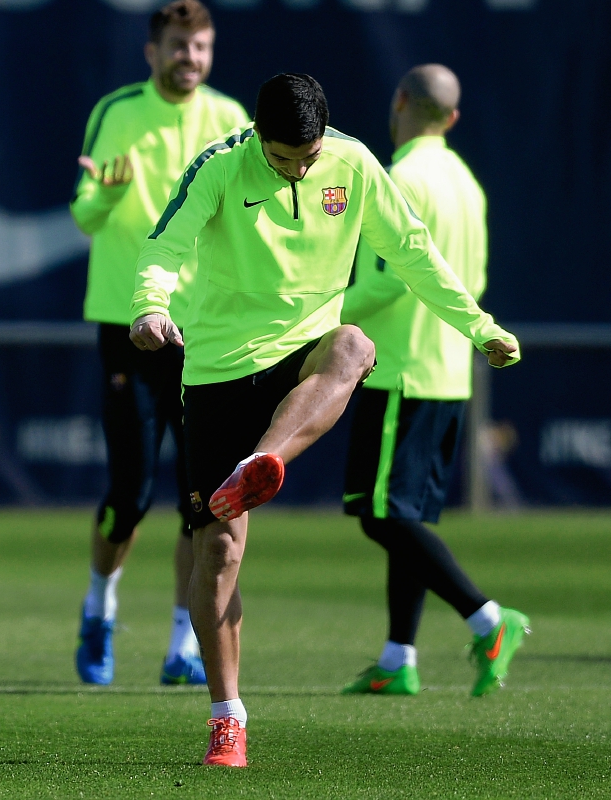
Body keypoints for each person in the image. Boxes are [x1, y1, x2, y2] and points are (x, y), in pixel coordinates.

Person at [129, 73, 519, 767]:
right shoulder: (221, 165)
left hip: (300, 355)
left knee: (355, 344)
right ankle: (228, 719)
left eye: (307, 156)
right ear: (258, 135)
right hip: (219, 371)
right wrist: (151, 305)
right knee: (218, 553)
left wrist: (478, 326)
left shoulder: (355, 162)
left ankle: (264, 462)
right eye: (284, 159)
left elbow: (413, 252)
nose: (298, 168)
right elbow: (163, 245)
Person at [70, 0, 250, 689]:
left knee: (199, 499)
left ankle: (183, 641)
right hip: (127, 323)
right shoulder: (118, 111)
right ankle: (100, 606)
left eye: (201, 46)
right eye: (179, 45)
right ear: (153, 51)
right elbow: (83, 213)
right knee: (129, 493)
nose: (191, 58)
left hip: (206, 329)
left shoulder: (233, 119)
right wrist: (106, 197)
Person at [340, 65, 529, 698]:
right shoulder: (465, 183)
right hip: (449, 370)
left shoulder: (403, 177)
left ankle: (488, 618)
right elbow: (468, 275)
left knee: (380, 515)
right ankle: (398, 659)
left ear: (399, 102)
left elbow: (394, 277)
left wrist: (327, 312)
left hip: (401, 368)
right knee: (407, 516)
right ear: (451, 117)